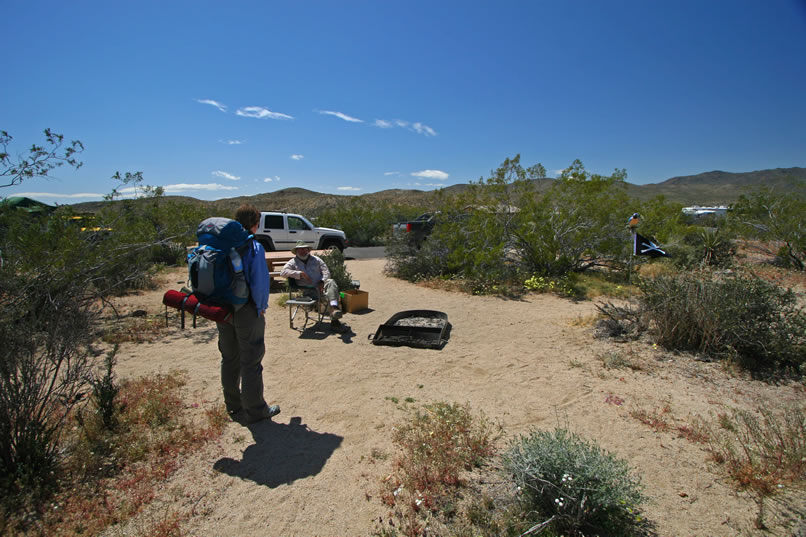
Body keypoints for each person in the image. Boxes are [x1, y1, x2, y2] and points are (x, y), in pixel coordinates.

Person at [217, 204, 280, 423]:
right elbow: (259, 281)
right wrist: (261, 307)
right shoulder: (252, 246)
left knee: (229, 357)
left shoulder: (222, 244)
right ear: (255, 223)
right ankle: (256, 409)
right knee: (251, 360)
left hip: (222, 308)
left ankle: (234, 406)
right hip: (246, 309)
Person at [280, 241, 345, 332]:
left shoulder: (317, 260)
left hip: (321, 288)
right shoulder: (293, 262)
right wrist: (299, 273)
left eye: (304, 249)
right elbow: (282, 273)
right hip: (307, 291)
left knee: (331, 283)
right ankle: (335, 320)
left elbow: (326, 272)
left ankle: (334, 309)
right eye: (300, 249)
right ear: (296, 251)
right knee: (331, 295)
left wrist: (322, 281)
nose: (302, 251)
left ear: (308, 250)